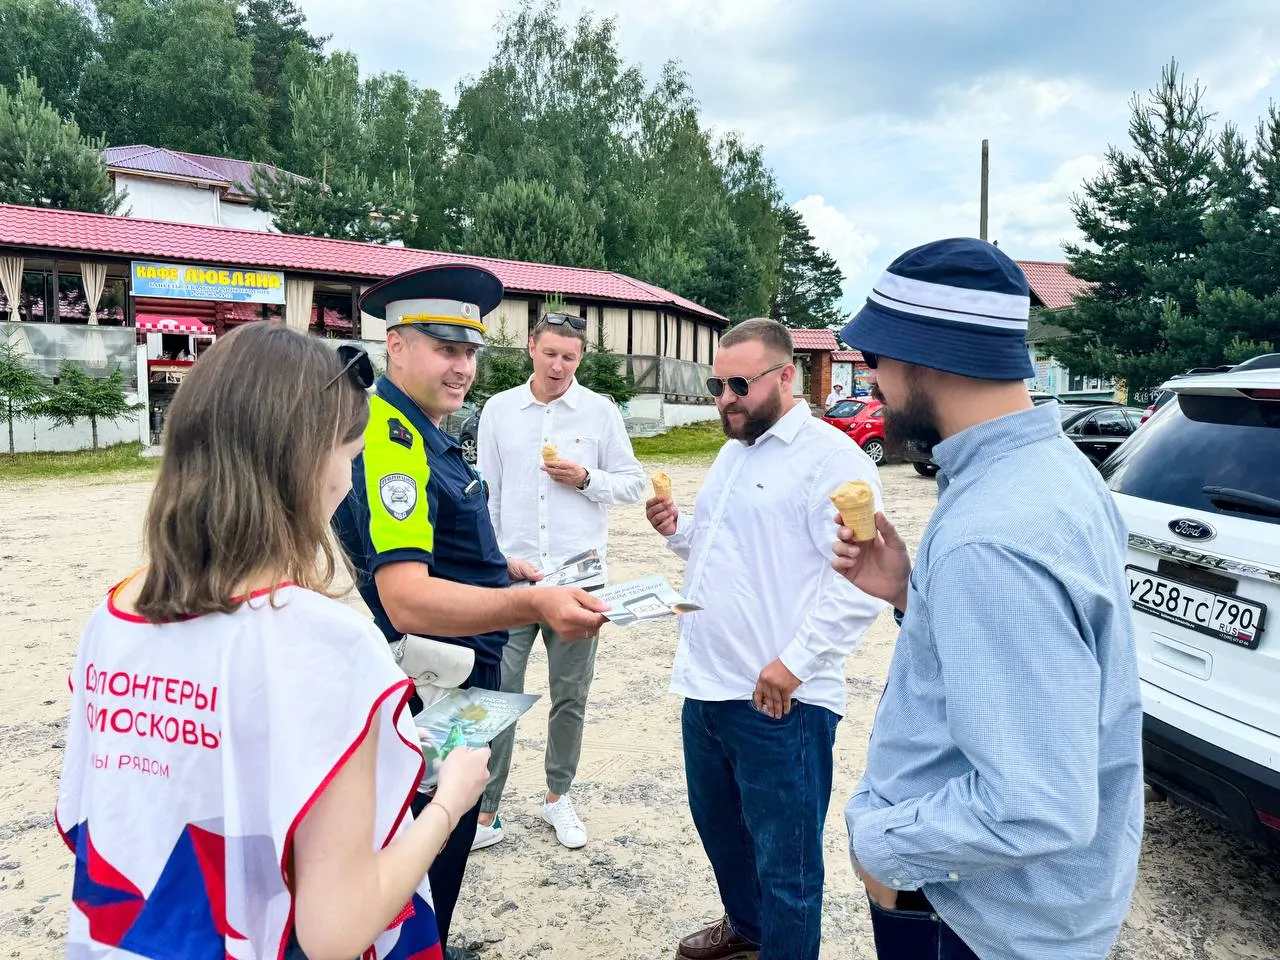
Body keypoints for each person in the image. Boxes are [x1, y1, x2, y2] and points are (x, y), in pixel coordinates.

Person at [55, 322, 493, 960]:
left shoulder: (115, 615)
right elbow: (335, 930)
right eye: (348, 456)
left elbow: (98, 817)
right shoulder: (327, 640)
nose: (347, 483)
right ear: (305, 462)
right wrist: (451, 800)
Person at [831, 238, 1144, 960]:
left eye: (876, 354)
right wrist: (914, 594)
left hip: (976, 919)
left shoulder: (990, 535)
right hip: (1029, 914)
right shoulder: (1052, 470)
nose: (868, 373)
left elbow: (1039, 805)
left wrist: (878, 846)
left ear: (927, 355)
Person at [332, 264, 609, 959]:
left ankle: (430, 941)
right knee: (426, 841)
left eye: (471, 351)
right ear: (396, 346)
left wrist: (498, 568)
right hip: (431, 688)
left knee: (441, 851)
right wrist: (532, 599)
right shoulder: (392, 439)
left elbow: (438, 549)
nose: (463, 368)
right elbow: (403, 593)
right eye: (445, 348)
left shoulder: (422, 428)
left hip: (457, 679)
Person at [645, 318, 885, 960]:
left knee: (789, 868)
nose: (724, 397)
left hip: (781, 702)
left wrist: (795, 665)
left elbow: (859, 582)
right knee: (723, 834)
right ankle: (747, 929)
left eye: (739, 384)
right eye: (717, 383)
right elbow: (724, 545)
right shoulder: (734, 451)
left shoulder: (833, 462)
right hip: (708, 687)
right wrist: (676, 529)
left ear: (786, 377)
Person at [474, 311, 645, 850]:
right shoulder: (500, 411)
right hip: (516, 580)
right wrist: (498, 561)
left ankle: (557, 797)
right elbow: (486, 494)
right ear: (531, 347)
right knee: (497, 693)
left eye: (569, 357)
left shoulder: (599, 412)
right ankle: (485, 810)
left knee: (570, 696)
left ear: (580, 358)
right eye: (550, 353)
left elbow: (634, 483)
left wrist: (587, 478)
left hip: (580, 580)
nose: (558, 365)